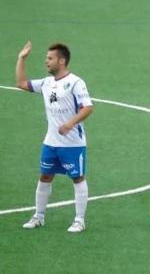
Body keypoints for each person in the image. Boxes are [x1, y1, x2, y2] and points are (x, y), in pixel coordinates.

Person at [15, 41, 94, 233]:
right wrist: (21, 59)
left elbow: (88, 107)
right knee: (45, 176)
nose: (46, 61)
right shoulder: (46, 83)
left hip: (72, 144)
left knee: (77, 178)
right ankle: (38, 216)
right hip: (50, 142)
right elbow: (21, 84)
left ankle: (79, 220)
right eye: (46, 58)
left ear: (62, 60)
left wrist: (70, 123)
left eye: (50, 58)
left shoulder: (76, 82)